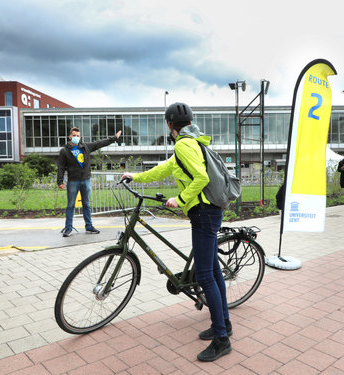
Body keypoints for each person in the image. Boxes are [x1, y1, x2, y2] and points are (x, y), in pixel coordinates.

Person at [121, 102, 232, 362]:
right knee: (214, 271)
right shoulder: (190, 141)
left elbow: (201, 178)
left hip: (203, 213)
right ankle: (224, 324)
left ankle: (222, 339)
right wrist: (135, 177)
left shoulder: (184, 144)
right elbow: (165, 168)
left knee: (205, 275)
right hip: (210, 210)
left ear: (169, 125)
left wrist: (179, 199)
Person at [57, 127, 121, 237]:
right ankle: (68, 228)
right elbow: (61, 167)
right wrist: (60, 181)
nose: (76, 137)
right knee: (70, 205)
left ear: (80, 137)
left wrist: (114, 138)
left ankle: (89, 226)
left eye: (78, 135)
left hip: (85, 180)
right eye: (74, 135)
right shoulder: (64, 151)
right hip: (73, 181)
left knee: (86, 204)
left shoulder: (85, 147)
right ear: (69, 137)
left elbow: (100, 143)